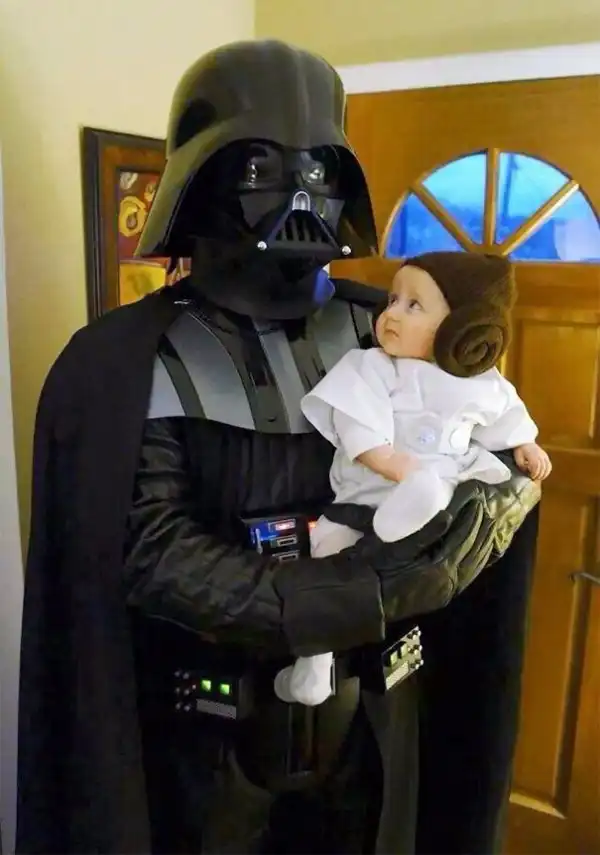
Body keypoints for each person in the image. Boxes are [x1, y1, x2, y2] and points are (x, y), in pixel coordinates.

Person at [16, 40, 542, 855]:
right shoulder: (124, 360)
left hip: (377, 724)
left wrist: (483, 517)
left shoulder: (391, 327)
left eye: (321, 170)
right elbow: (150, 550)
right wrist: (369, 589)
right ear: (202, 178)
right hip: (206, 741)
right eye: (261, 169)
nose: (301, 197)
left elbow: (495, 451)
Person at [274, 251, 552, 707]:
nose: (392, 314)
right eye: (392, 300)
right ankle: (315, 667)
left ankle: (417, 507)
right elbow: (356, 424)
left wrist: (526, 445)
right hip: (370, 492)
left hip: (441, 497)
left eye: (413, 305)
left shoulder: (482, 383)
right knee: (327, 560)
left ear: (462, 329)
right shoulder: (372, 367)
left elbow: (506, 417)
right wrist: (396, 465)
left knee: (375, 570)